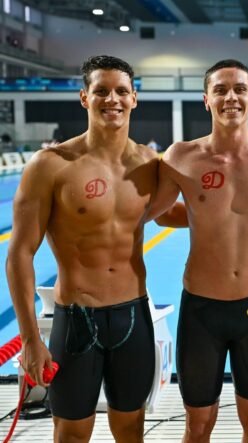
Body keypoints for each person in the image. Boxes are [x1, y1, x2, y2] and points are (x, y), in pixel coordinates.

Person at [6, 55, 175, 442]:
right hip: (76, 319)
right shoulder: (50, 165)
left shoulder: (150, 164)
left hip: (133, 317)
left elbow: (184, 212)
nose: (111, 99)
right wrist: (31, 339)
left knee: (131, 430)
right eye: (101, 91)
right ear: (84, 97)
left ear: (134, 98)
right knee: (71, 432)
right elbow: (19, 255)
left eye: (120, 91)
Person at [148, 59, 248, 443]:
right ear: (206, 100)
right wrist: (206, 213)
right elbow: (159, 213)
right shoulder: (182, 156)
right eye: (220, 90)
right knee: (198, 425)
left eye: (239, 89)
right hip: (202, 310)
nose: (231, 97)